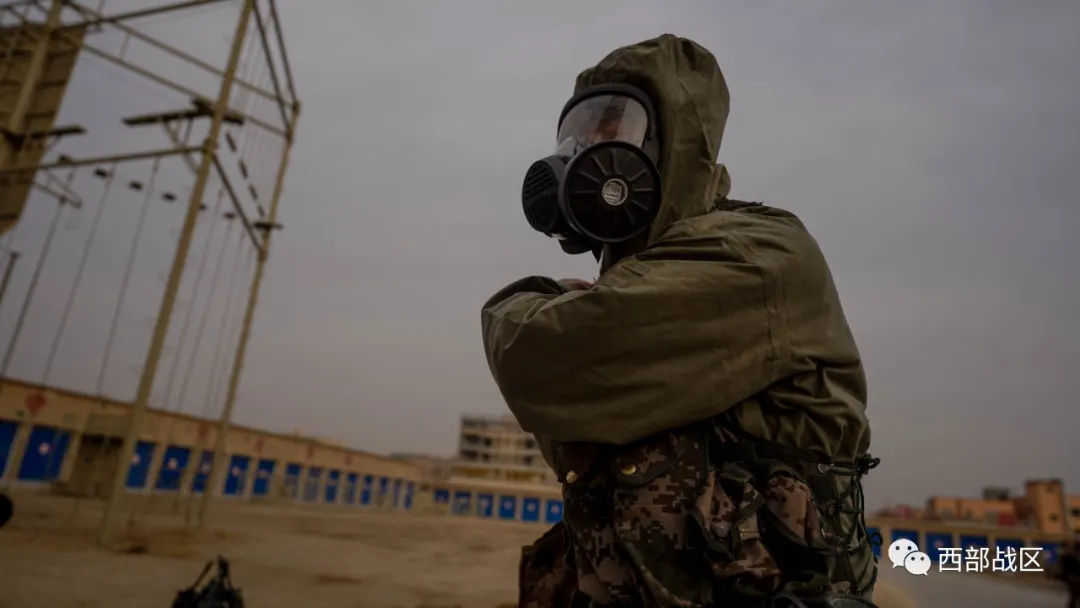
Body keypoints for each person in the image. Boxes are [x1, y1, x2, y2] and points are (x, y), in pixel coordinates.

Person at [482, 34, 879, 608]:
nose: (584, 150)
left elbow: (537, 358)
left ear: (672, 143)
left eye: (612, 129)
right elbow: (569, 417)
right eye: (580, 133)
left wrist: (544, 301)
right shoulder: (640, 274)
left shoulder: (759, 255)